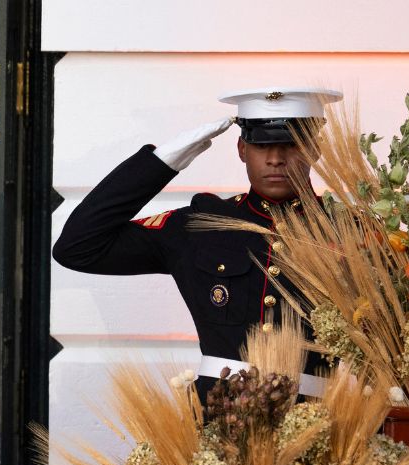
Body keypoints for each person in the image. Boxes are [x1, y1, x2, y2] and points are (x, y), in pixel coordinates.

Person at [51, 88, 342, 395]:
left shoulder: (353, 230)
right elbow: (78, 247)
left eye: (291, 145)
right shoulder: (201, 224)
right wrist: (162, 162)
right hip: (218, 419)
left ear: (315, 149)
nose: (275, 159)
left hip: (324, 422)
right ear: (242, 149)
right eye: (261, 145)